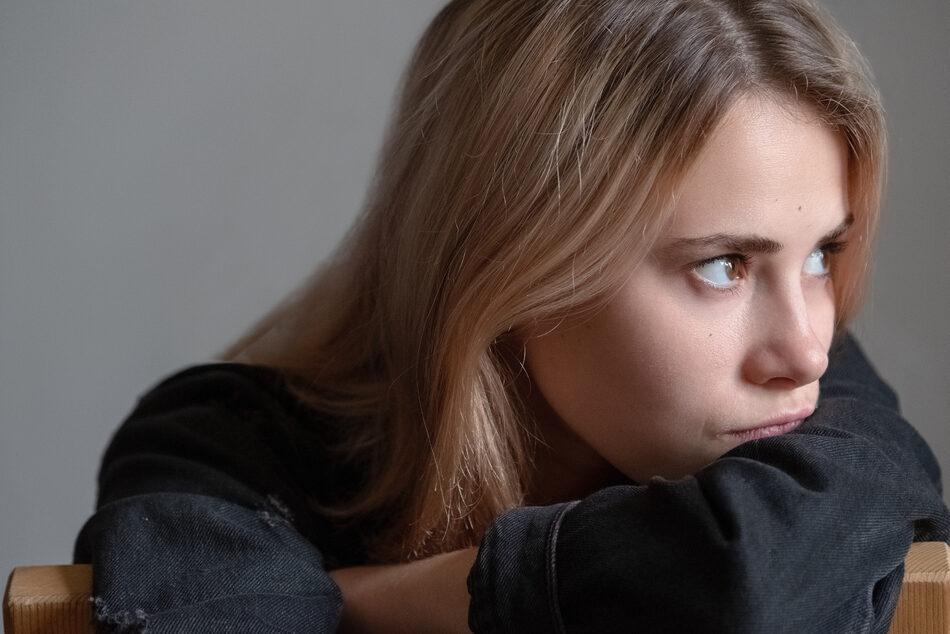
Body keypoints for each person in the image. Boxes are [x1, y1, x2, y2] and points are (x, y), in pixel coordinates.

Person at [74, 0, 950, 632]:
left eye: (820, 255)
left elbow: (748, 574)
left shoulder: (822, 405)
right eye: (724, 266)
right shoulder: (218, 454)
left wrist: (385, 600)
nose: (806, 348)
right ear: (515, 263)